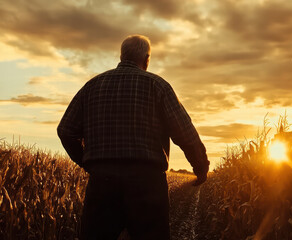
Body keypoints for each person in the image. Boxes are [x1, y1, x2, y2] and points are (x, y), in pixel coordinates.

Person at [57, 34, 210, 240]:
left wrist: (87, 162)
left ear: (121, 56)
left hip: (102, 181)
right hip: (147, 182)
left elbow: (65, 130)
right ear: (147, 59)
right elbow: (185, 132)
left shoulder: (91, 87)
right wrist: (200, 167)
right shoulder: (158, 86)